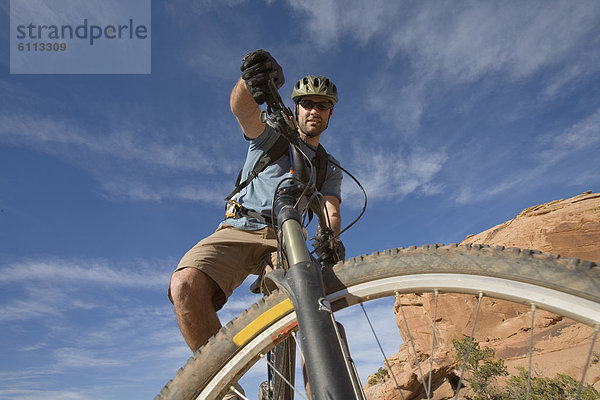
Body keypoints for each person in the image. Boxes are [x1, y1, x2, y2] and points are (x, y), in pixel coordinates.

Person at [168, 50, 343, 398]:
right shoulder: (272, 134)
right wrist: (252, 82)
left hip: (286, 238)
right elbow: (242, 109)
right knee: (185, 283)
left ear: (329, 113)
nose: (313, 110)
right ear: (296, 107)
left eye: (321, 106)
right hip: (239, 228)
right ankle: (227, 391)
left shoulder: (328, 166)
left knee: (312, 315)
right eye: (306, 103)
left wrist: (330, 238)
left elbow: (330, 208)